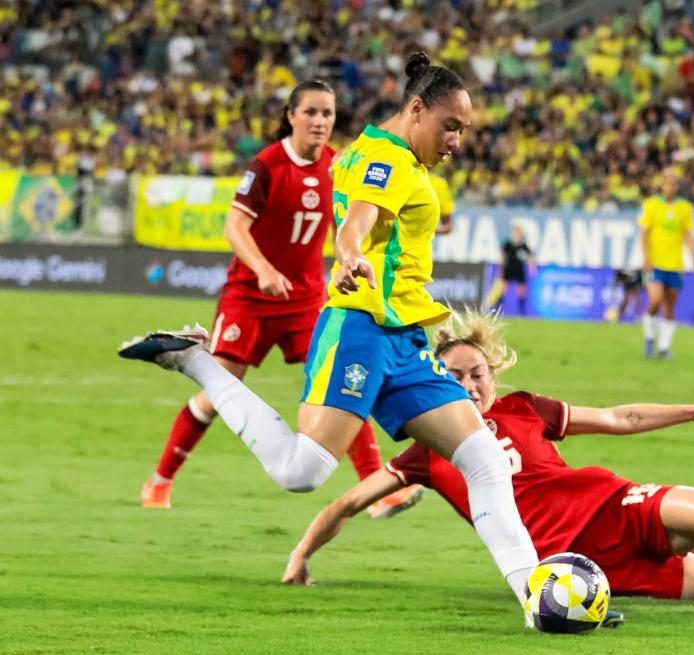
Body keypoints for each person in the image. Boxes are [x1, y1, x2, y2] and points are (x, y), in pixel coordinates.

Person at [120, 53, 540, 614]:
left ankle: (540, 599)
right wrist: (348, 256)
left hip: (405, 336)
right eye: (451, 126)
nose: (458, 140)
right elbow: (357, 222)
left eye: (463, 129)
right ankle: (195, 361)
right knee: (302, 471)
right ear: (417, 109)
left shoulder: (373, 151)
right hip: (362, 328)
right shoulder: (385, 160)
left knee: (484, 459)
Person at [282, 310, 694, 604]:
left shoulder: (525, 408)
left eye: (477, 374)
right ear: (436, 383)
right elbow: (349, 499)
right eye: (456, 377)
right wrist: (303, 552)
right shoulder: (426, 451)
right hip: (580, 567)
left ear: (492, 374)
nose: (470, 386)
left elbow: (619, 417)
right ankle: (687, 545)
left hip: (615, 508)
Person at [138, 80, 414, 515]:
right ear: (291, 115)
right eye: (311, 112)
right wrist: (264, 269)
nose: (320, 121)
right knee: (220, 387)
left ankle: (378, 490)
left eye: (327, 113)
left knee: (343, 381)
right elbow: (235, 226)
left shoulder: (338, 165)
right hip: (250, 296)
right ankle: (160, 480)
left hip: (306, 300)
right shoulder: (266, 165)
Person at [639, 171, 694, 358]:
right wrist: (646, 258)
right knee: (655, 300)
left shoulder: (684, 207)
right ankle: (650, 336)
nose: (670, 187)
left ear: (677, 187)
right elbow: (644, 233)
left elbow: (688, 235)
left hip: (675, 265)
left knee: (670, 307)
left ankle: (664, 347)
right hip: (656, 263)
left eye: (673, 184)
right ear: (662, 186)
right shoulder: (651, 205)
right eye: (667, 184)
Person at [484, 223, 533, 314]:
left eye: (519, 233)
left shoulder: (523, 246)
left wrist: (531, 267)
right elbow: (503, 257)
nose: (517, 234)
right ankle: (497, 310)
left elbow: (530, 257)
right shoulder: (508, 245)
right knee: (502, 290)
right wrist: (501, 268)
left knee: (521, 292)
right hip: (508, 269)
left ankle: (522, 312)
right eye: (515, 232)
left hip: (519, 271)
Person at [430, 171, 456, 236]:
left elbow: (448, 225)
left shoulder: (438, 184)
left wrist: (426, 231)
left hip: (420, 244)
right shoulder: (403, 177)